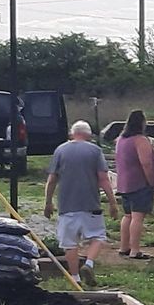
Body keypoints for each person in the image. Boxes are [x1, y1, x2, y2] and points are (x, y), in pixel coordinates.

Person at [44, 120, 119, 287]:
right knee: (98, 237)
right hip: (90, 204)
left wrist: (48, 202)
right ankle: (89, 264)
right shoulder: (95, 151)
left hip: (66, 205)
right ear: (89, 135)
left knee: (69, 243)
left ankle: (75, 277)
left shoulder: (60, 150)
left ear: (72, 133)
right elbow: (104, 179)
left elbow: (52, 179)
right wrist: (113, 203)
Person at [114, 109, 154, 261]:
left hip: (124, 182)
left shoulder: (121, 139)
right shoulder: (140, 140)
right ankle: (135, 250)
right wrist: (151, 181)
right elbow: (146, 163)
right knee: (137, 217)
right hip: (138, 183)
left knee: (127, 216)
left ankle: (124, 247)